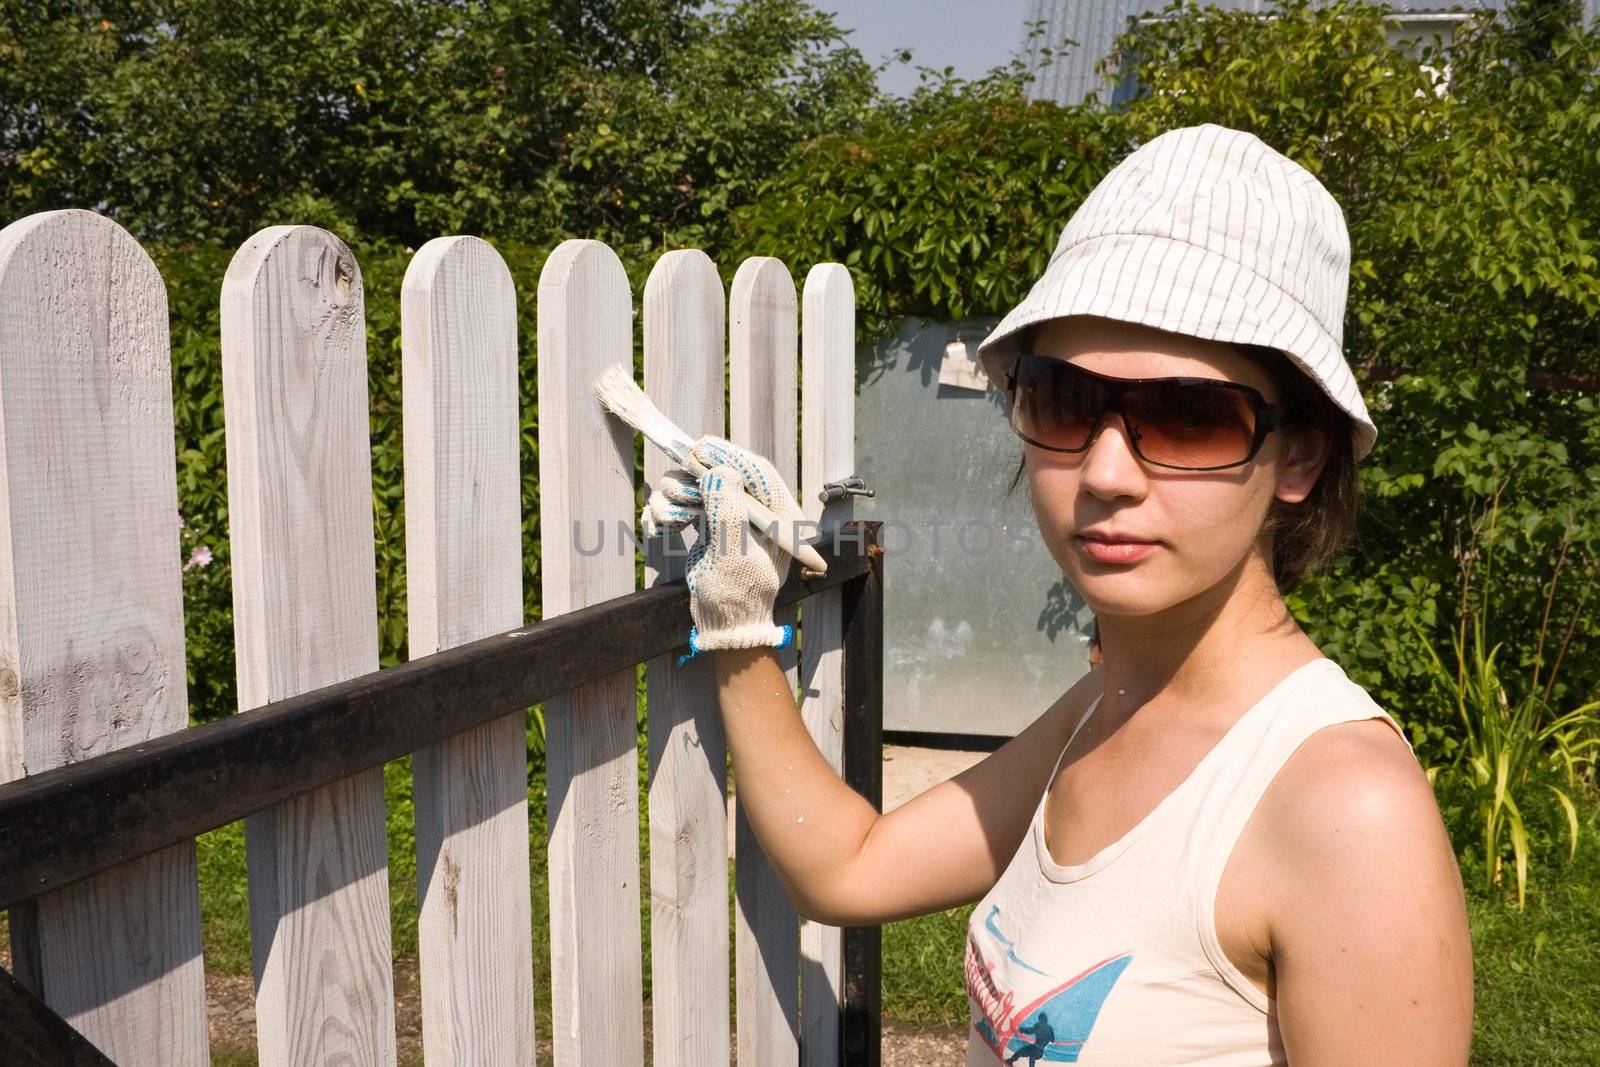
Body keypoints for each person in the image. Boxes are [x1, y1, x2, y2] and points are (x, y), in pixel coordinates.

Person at [642, 123, 1474, 1064]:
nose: (1108, 471)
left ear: (1301, 455)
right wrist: (739, 616)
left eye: (1192, 416)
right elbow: (851, 868)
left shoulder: (1345, 807)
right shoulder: (1111, 703)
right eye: (1067, 401)